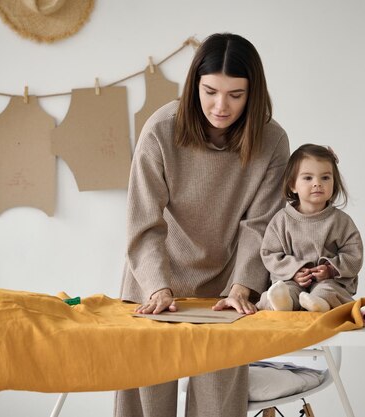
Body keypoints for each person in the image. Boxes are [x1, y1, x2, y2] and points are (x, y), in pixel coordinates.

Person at [115, 33, 290, 417]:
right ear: (194, 84)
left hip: (227, 290)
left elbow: (260, 225)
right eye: (210, 91)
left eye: (235, 95)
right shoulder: (161, 129)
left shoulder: (272, 140)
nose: (220, 106)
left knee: (218, 406)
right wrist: (158, 287)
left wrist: (243, 287)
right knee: (144, 404)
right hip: (153, 285)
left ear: (253, 93)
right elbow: (144, 221)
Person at [256, 144, 363, 312]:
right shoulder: (281, 220)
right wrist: (294, 271)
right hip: (291, 280)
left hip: (328, 282)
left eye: (325, 178)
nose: (317, 184)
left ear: (334, 183)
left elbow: (354, 254)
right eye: (308, 178)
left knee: (328, 290)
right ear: (292, 185)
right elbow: (270, 254)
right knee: (283, 291)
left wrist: (330, 269)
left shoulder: (341, 221)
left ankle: (318, 302)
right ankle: (284, 303)